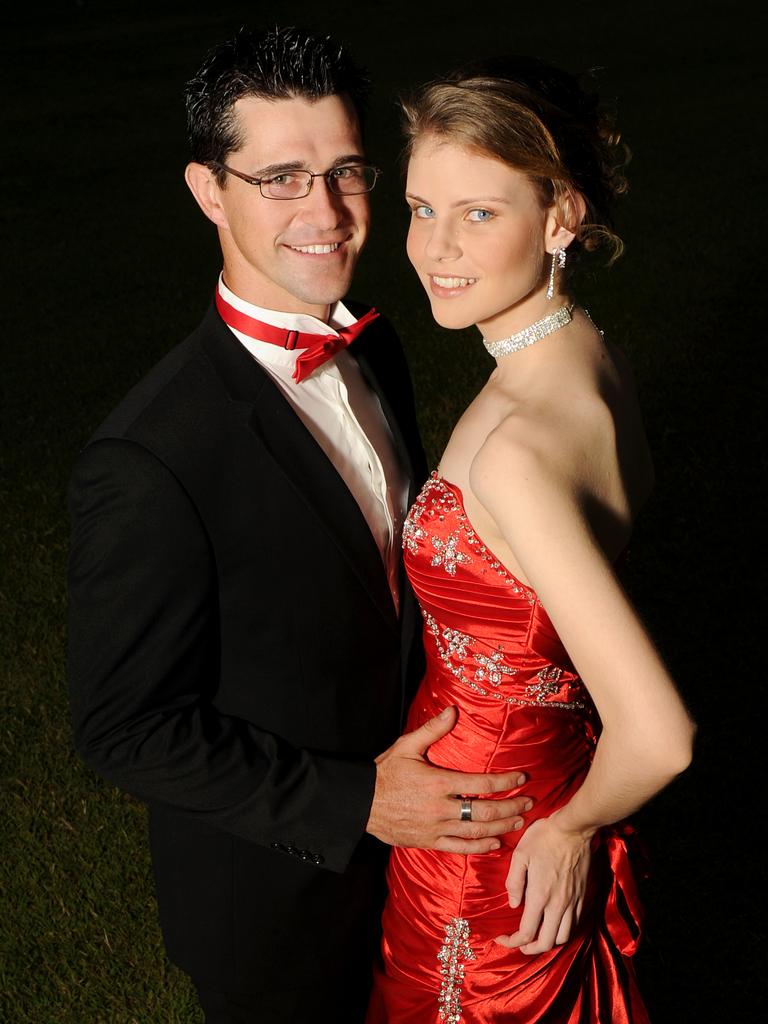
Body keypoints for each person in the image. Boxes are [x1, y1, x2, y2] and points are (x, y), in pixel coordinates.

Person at [66, 28, 533, 1024]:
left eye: (344, 170)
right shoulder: (151, 462)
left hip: (423, 866)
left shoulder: (378, 345)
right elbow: (124, 726)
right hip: (275, 900)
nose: (325, 213)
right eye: (280, 176)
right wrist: (357, 801)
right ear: (207, 191)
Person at [367, 58, 696, 1023]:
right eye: (423, 208)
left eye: (479, 213)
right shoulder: (589, 356)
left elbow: (662, 736)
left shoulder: (517, 451)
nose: (435, 249)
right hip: (529, 761)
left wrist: (573, 828)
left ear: (561, 219)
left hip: (488, 847)